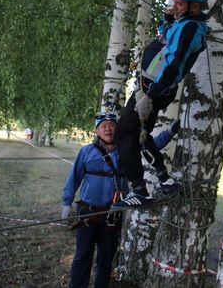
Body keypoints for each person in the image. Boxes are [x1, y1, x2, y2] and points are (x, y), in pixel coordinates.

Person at [113, 0, 208, 207]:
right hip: (148, 88)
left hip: (153, 91)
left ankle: (139, 190)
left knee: (125, 135)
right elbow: (165, 41)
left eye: (179, 4)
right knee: (138, 136)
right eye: (172, 1)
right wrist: (166, 22)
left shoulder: (190, 28)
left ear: (194, 6)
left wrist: (150, 97)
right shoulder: (181, 23)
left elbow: (174, 64)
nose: (173, 7)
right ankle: (162, 179)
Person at [62, 113, 179, 288]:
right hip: (88, 212)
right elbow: (74, 178)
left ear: (117, 129)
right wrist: (66, 203)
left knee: (106, 259)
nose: (108, 128)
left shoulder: (127, 150)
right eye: (104, 126)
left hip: (113, 214)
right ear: (96, 131)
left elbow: (153, 145)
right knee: (82, 256)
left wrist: (170, 131)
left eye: (112, 125)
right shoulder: (86, 152)